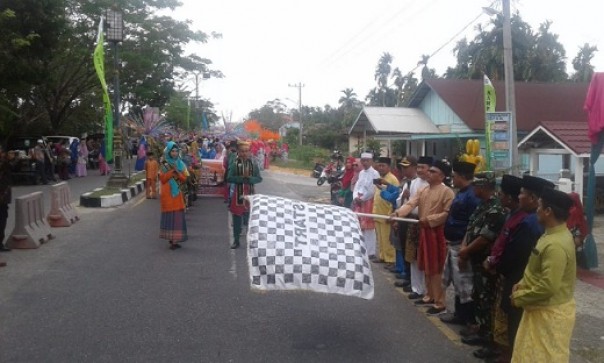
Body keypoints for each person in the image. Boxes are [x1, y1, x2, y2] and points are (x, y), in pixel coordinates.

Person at [511, 188, 576, 362]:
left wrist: (520, 297)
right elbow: (536, 268)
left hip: (548, 313)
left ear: (548, 211)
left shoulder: (556, 244)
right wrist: (523, 282)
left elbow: (549, 286)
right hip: (539, 309)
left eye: (540, 206)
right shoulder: (553, 234)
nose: (537, 210)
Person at [393, 160, 455, 314]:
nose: (429, 173)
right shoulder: (424, 190)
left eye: (433, 171)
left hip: (437, 233)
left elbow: (447, 213)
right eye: (430, 170)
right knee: (426, 265)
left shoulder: (447, 192)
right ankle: (429, 296)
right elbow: (411, 203)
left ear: (442, 176)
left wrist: (429, 220)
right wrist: (397, 214)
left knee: (436, 267)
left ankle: (440, 303)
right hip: (424, 231)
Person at [457, 172, 506, 353]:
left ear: (485, 187)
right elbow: (470, 229)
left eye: (477, 185)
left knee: (486, 299)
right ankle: (481, 330)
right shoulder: (482, 206)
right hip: (474, 259)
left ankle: (488, 338)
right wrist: (464, 251)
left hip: (486, 261)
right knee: (478, 296)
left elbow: (485, 238)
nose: (474, 188)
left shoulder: (496, 209)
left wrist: (466, 251)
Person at [440, 161, 480, 327]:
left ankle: (468, 319)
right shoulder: (462, 192)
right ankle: (459, 314)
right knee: (458, 282)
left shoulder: (472, 196)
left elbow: (473, 224)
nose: (452, 179)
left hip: (462, 245)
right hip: (454, 243)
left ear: (463, 176)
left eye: (455, 176)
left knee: (465, 284)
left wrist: (465, 247)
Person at [227, 141, 262, 249]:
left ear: (250, 152)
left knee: (250, 220)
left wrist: (250, 179)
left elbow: (259, 178)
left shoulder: (253, 165)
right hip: (238, 194)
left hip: (250, 194)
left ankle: (250, 241)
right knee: (237, 219)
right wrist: (241, 178)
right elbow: (229, 178)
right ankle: (236, 240)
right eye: (242, 151)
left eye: (246, 151)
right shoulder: (234, 164)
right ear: (238, 152)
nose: (244, 154)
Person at [159, 141, 188, 250]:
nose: (175, 153)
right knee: (169, 216)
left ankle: (175, 240)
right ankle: (171, 239)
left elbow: (185, 179)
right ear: (169, 152)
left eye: (176, 151)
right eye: (172, 151)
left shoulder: (180, 163)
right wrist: (172, 172)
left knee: (177, 216)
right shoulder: (164, 165)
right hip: (167, 193)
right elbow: (162, 179)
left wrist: (178, 172)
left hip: (177, 194)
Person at [352, 152, 380, 259]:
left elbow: (373, 189)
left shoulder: (375, 173)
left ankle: (370, 252)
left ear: (371, 161)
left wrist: (362, 199)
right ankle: (362, 249)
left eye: (367, 160)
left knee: (369, 228)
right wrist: (355, 197)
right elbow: (357, 186)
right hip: (359, 201)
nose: (365, 162)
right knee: (360, 226)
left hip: (369, 201)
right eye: (363, 160)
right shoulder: (361, 173)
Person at [372, 157, 399, 268]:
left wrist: (390, 214)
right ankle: (383, 257)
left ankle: (391, 259)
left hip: (386, 213)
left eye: (383, 166)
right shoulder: (380, 178)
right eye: (379, 165)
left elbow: (395, 199)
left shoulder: (392, 179)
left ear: (389, 167)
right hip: (378, 212)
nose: (381, 168)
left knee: (388, 238)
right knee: (381, 237)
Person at [567, 192, 588, 267]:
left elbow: (572, 226)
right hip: (579, 239)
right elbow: (584, 226)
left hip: (574, 239)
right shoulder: (581, 211)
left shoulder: (573, 211)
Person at [0, 146, 12, 252]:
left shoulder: (5, 163)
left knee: (3, 218)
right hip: (2, 195)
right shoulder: (3, 163)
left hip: (3, 197)